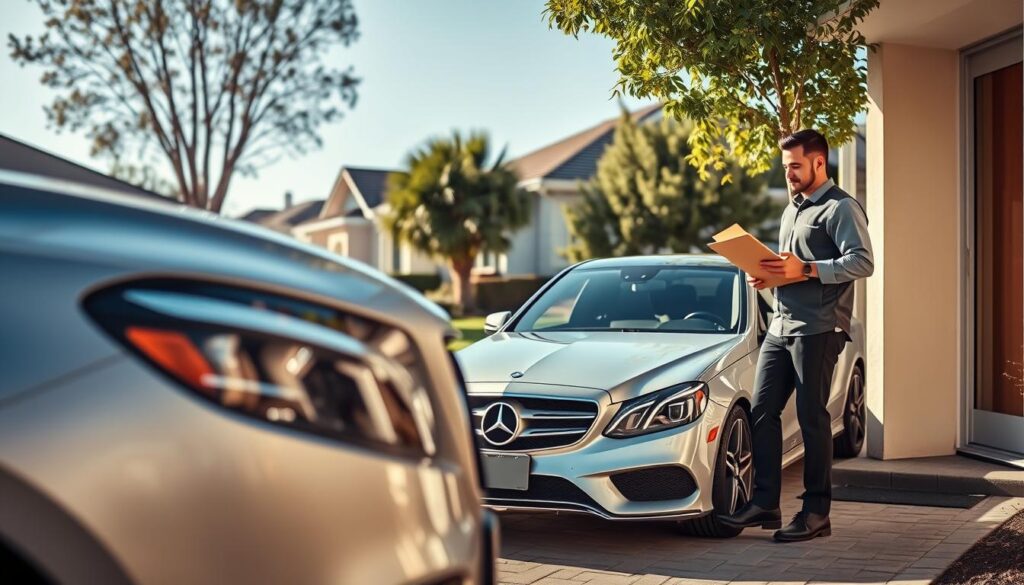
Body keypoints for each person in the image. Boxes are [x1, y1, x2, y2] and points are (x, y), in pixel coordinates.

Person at [719, 129, 874, 542]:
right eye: (785, 165)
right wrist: (769, 275)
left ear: (819, 162)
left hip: (819, 328)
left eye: (794, 166)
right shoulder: (793, 209)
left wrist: (805, 268)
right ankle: (765, 502)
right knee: (762, 411)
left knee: (812, 417)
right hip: (781, 326)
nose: (787, 173)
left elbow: (862, 262)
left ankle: (816, 513)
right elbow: (791, 268)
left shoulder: (841, 208)